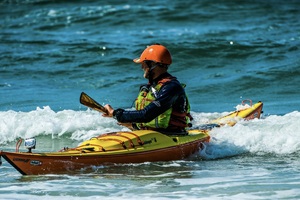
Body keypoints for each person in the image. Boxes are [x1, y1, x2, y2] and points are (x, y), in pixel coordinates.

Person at [103, 44, 193, 134]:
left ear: (153, 64)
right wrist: (130, 123)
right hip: (150, 134)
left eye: (144, 64)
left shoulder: (171, 88)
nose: (142, 67)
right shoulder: (149, 87)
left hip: (172, 135)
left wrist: (116, 113)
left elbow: (146, 115)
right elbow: (145, 117)